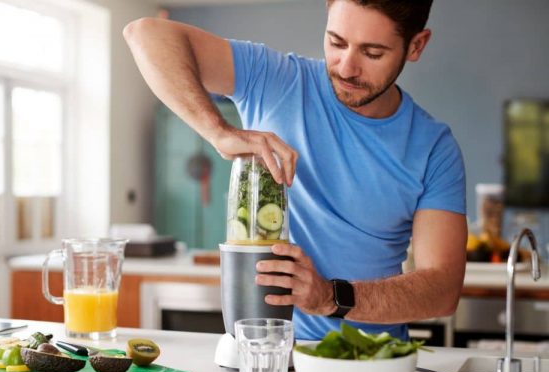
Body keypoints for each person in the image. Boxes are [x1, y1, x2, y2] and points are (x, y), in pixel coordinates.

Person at [124, 0, 467, 341]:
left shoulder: (434, 148)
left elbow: (441, 288)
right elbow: (145, 34)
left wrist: (329, 297)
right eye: (336, 42)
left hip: (372, 364)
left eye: (372, 53)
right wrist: (219, 132)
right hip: (264, 358)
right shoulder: (275, 79)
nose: (347, 67)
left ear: (416, 45)